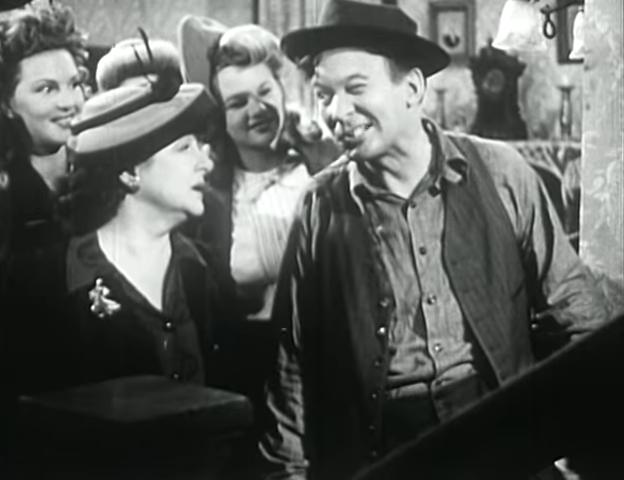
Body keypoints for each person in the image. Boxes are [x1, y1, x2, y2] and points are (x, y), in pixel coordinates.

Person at [259, 1, 609, 479]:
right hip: (381, 453)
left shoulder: (502, 174)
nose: (336, 112)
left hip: (504, 441)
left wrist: (579, 447)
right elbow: (291, 370)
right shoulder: (319, 207)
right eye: (323, 95)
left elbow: (577, 316)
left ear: (412, 88)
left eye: (355, 88)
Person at [0, 74, 225, 475]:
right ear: (130, 173)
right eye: (185, 148)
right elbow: (9, 435)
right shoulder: (40, 281)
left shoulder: (204, 272)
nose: (207, 162)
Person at [178, 19, 338, 412]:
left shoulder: (326, 164)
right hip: (244, 376)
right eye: (237, 103)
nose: (257, 110)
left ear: (282, 89)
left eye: (264, 92)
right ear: (220, 116)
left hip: (330, 363)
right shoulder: (204, 193)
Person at [0, 1, 87, 309]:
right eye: (46, 89)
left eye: (75, 84)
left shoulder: (103, 178)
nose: (69, 102)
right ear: (6, 103)